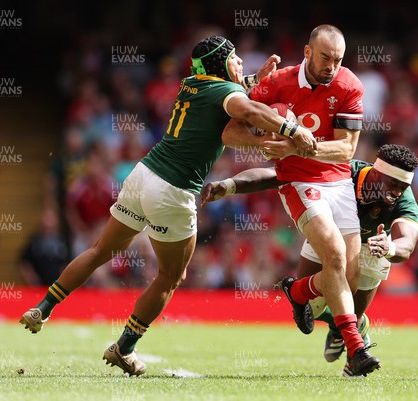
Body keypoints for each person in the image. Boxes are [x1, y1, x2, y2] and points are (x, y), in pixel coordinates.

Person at [19, 35, 317, 376]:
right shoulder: (225, 94)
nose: (241, 65)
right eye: (235, 59)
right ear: (221, 63)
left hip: (143, 175)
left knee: (101, 249)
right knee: (172, 275)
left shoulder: (193, 83)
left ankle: (44, 307)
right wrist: (292, 128)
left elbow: (232, 95)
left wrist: (254, 81)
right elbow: (246, 108)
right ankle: (124, 348)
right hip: (172, 191)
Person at [221, 24, 378, 377]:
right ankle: (356, 351)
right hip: (297, 182)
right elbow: (230, 131)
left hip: (338, 181)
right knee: (334, 256)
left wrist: (296, 143)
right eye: (325, 58)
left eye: (337, 60)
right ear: (307, 53)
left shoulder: (349, 85)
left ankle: (298, 292)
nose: (331, 67)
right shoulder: (277, 83)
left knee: (349, 278)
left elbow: (347, 148)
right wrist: (263, 143)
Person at [201, 144, 418, 369]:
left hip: (374, 249)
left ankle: (349, 341)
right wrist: (229, 185)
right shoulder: (342, 172)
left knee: (350, 313)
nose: (398, 192)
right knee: (311, 309)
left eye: (403, 187)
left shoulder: (405, 200)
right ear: (375, 172)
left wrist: (390, 247)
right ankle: (338, 321)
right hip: (330, 236)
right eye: (393, 184)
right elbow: (276, 175)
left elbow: (408, 241)